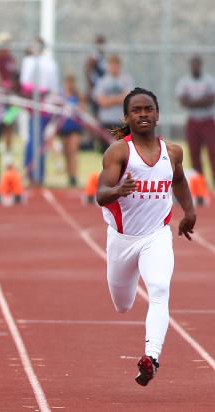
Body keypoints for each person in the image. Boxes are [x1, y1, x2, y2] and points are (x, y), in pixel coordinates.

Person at [96, 87, 196, 387]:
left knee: (159, 289)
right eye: (136, 110)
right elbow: (101, 194)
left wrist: (189, 212)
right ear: (127, 116)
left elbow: (178, 179)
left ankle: (151, 357)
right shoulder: (118, 152)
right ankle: (143, 339)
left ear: (157, 114)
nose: (143, 114)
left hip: (156, 235)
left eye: (148, 109)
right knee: (122, 304)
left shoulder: (173, 152)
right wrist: (116, 191)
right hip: (122, 240)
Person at [19, 37, 59, 186]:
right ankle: (36, 175)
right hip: (42, 105)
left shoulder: (30, 61)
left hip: (39, 105)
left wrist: (39, 93)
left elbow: (25, 84)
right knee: (38, 140)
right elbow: (53, 87)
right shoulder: (49, 63)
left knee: (34, 141)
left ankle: (32, 174)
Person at [175, 55, 215, 185]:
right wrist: (200, 101)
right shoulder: (184, 82)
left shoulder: (209, 80)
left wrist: (192, 101)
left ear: (200, 66)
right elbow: (182, 101)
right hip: (192, 121)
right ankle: (200, 185)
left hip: (208, 120)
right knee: (194, 153)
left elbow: (210, 100)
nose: (195, 67)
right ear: (190, 66)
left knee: (213, 151)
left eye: (197, 64)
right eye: (193, 65)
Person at [93, 54, 133, 153]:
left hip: (121, 122)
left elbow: (128, 99)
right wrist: (118, 99)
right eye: (112, 65)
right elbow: (102, 102)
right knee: (106, 152)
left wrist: (109, 100)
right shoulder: (102, 81)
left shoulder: (126, 80)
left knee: (123, 152)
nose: (114, 67)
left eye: (116, 65)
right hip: (106, 121)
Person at [57, 73, 85, 187]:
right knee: (66, 152)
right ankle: (69, 176)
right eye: (68, 82)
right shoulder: (60, 95)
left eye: (71, 82)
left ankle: (74, 176)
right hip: (63, 128)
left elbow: (83, 109)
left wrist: (77, 108)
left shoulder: (77, 96)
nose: (69, 84)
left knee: (73, 151)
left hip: (74, 128)